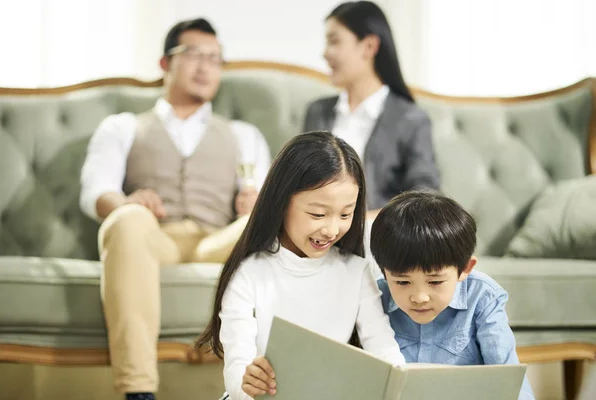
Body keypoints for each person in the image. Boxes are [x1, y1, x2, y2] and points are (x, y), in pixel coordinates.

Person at [79, 18, 270, 400]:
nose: (205, 67)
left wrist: (258, 204)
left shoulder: (243, 134)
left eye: (215, 59)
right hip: (155, 240)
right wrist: (128, 203)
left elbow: (265, 199)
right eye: (194, 55)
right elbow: (96, 192)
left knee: (262, 221)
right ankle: (139, 391)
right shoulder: (124, 127)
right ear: (165, 64)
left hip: (217, 239)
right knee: (127, 220)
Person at [196, 131, 405, 400]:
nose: (332, 229)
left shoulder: (355, 272)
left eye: (345, 214)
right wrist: (248, 383)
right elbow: (238, 369)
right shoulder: (250, 274)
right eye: (318, 214)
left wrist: (402, 383)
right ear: (282, 202)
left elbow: (384, 349)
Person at [370, 190, 535, 400]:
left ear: (465, 268)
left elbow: (509, 379)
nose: (419, 297)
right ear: (384, 271)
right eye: (402, 282)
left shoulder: (483, 297)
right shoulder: (375, 296)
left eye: (435, 282)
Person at [303, 1, 440, 219]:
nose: (325, 53)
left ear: (369, 47)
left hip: (376, 238)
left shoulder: (411, 120)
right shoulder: (317, 112)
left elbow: (426, 198)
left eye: (334, 42)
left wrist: (359, 222)